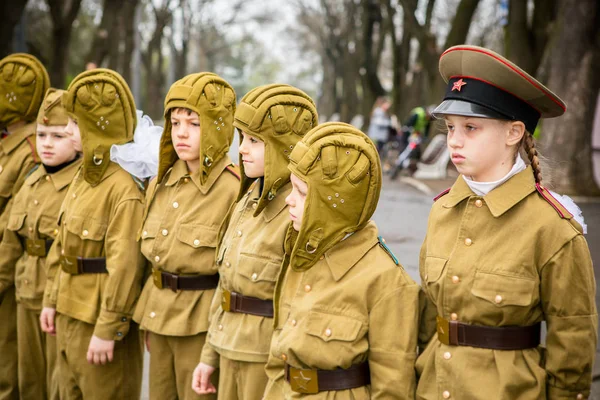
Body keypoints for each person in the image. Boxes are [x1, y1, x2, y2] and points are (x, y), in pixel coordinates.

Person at [416, 45, 596, 399]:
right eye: (451, 127)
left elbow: (573, 339)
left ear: (514, 133)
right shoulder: (442, 211)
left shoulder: (552, 227)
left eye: (471, 127)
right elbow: (428, 317)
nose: (454, 140)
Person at [262, 121, 419, 398]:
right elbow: (280, 352)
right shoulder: (304, 254)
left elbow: (393, 387)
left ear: (334, 202)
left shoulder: (386, 281)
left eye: (301, 192)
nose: (289, 200)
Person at [192, 84, 319, 399]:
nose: (242, 150)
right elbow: (226, 285)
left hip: (265, 359)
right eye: (241, 139)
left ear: (282, 146)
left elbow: (301, 304)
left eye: (254, 141)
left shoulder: (298, 212)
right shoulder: (248, 196)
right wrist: (209, 355)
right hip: (226, 345)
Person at [132, 72, 240, 400]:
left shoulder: (232, 189)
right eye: (175, 123)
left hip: (201, 325)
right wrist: (148, 318)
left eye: (194, 124)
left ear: (218, 126)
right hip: (157, 316)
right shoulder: (161, 182)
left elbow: (230, 276)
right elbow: (148, 258)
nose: (181, 133)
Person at [40, 68, 145, 400]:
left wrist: (108, 329)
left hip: (97, 318)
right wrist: (51, 300)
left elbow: (125, 266)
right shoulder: (83, 177)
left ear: (98, 127)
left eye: (75, 123)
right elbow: (62, 246)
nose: (69, 132)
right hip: (69, 311)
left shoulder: (123, 188)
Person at [0, 88, 81, 400]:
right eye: (42, 134)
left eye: (58, 136)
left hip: (59, 300)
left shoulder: (78, 185)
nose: (46, 143)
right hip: (25, 291)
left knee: (57, 385)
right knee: (28, 381)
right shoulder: (33, 179)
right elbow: (10, 241)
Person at [0, 53, 50, 400]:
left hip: (13, 273)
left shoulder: (33, 149)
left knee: (13, 371)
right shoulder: (8, 143)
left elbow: (16, 225)